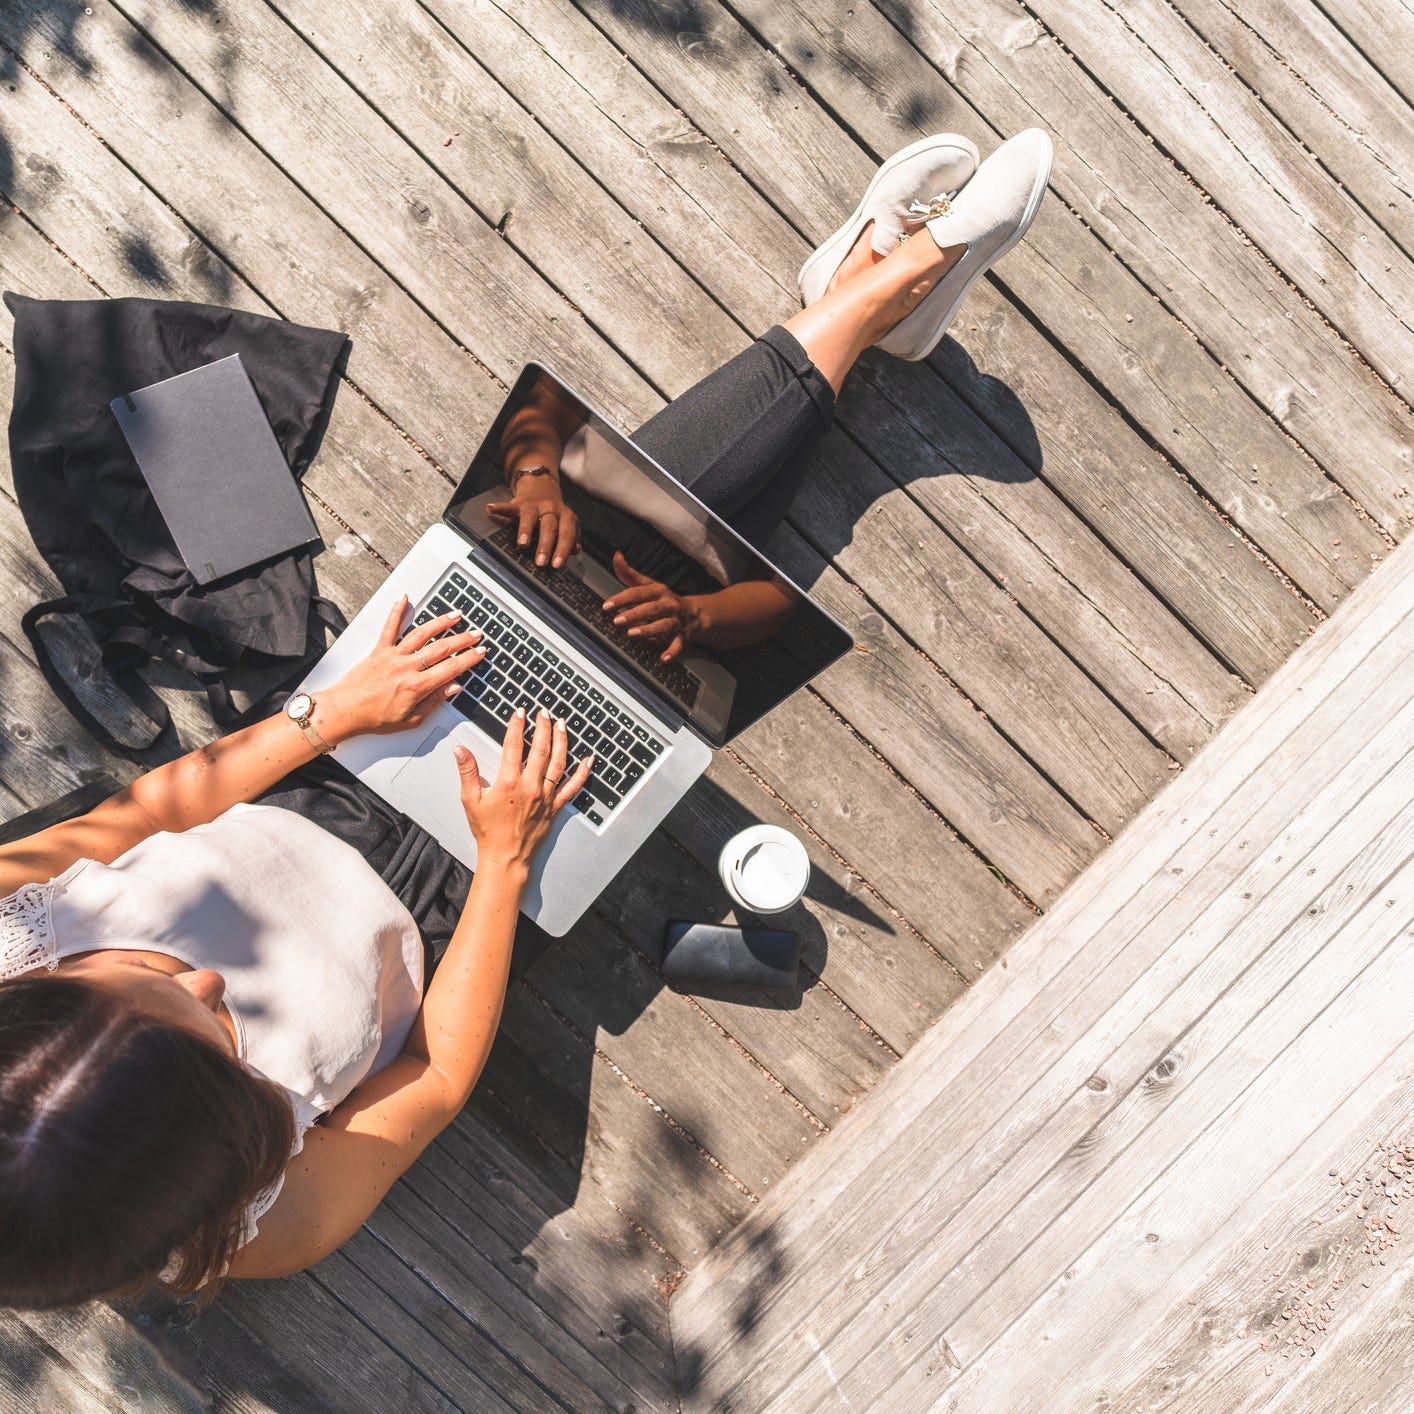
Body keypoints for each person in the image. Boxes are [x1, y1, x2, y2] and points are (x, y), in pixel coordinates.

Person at [0, 131, 1051, 1308]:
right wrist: (502, 858)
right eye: (215, 1039)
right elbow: (438, 1074)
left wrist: (326, 711)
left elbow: (146, 806)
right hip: (464, 903)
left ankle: (865, 301)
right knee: (647, 631)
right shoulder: (268, 1216)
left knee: (549, 564)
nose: (207, 985)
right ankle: (868, 292)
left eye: (147, 976)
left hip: (309, 765)